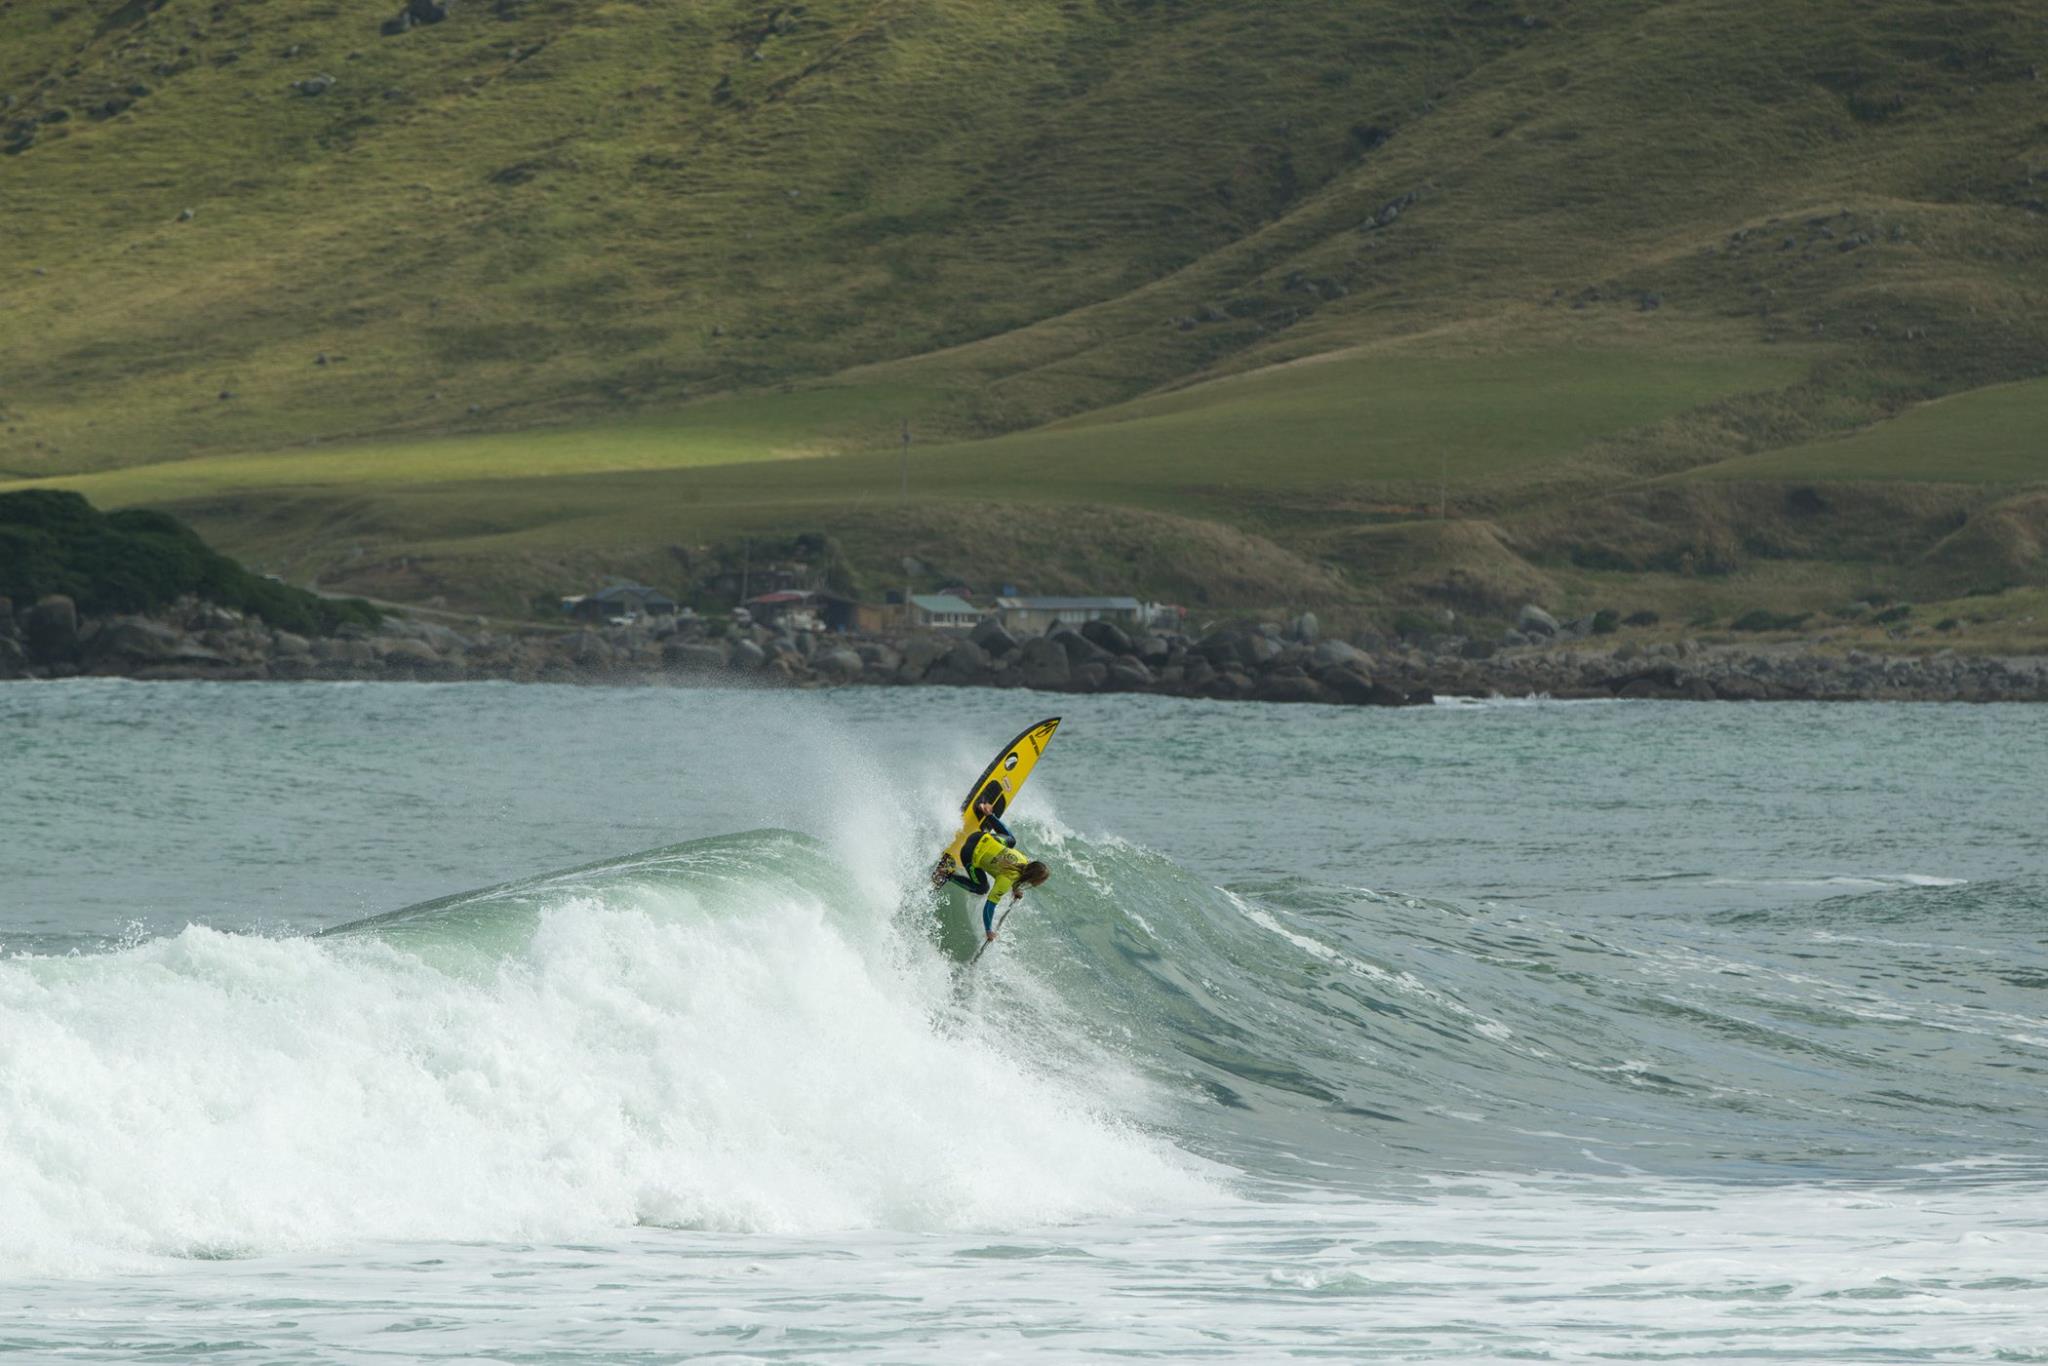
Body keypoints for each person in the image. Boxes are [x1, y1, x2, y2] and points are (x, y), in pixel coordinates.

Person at [937, 800, 1050, 943]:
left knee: (1011, 841)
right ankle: (946, 874)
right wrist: (988, 930)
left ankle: (988, 813)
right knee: (982, 888)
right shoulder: (1006, 880)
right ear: (1033, 878)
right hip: (968, 854)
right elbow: (989, 906)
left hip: (979, 836)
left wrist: (1015, 889)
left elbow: (1017, 874)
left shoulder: (1023, 860)